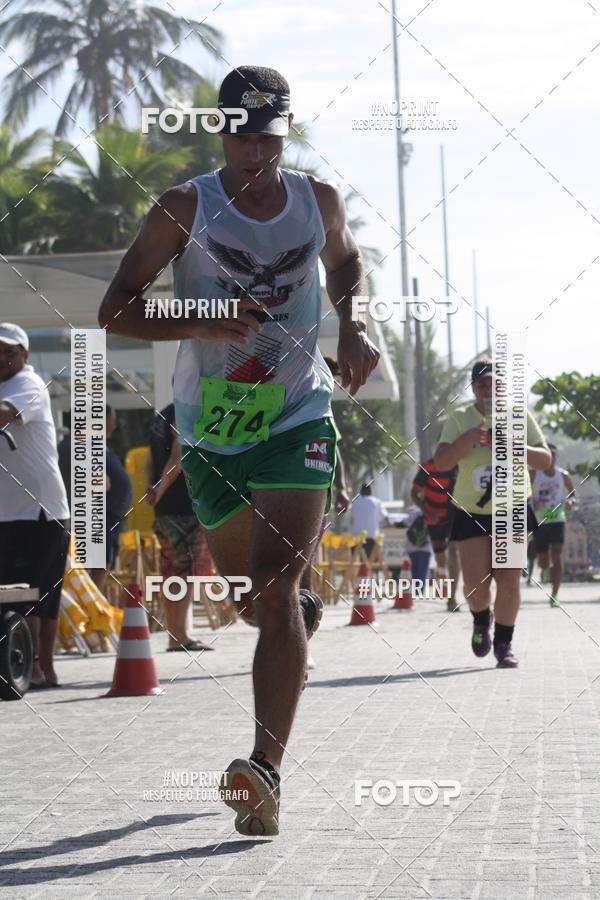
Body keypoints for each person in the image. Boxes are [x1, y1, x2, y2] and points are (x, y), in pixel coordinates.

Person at [98, 65, 380, 836]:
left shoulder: (316, 200)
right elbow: (117, 306)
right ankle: (293, 612)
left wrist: (355, 325)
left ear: (283, 134)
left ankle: (264, 772)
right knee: (253, 599)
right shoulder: (185, 207)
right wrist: (197, 317)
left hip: (296, 413)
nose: (256, 151)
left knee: (273, 584)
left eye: (269, 136)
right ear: (220, 132)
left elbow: (346, 262)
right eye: (242, 135)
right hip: (213, 429)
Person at [434, 359, 551, 668]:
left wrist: (515, 447)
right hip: (471, 510)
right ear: (473, 389)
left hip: (512, 508)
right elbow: (441, 462)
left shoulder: (519, 415)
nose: (489, 390)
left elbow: (545, 460)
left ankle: (504, 643)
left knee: (509, 578)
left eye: (495, 384)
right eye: (482, 385)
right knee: (475, 586)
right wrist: (468, 438)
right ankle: (480, 618)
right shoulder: (458, 419)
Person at [0, 322, 70, 689]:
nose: (1, 358)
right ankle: (26, 667)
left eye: (8, 351)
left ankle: (40, 667)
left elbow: (4, 414)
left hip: (40, 508)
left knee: (35, 592)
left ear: (24, 355)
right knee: (14, 592)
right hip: (6, 511)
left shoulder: (28, 383)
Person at [145, 402, 215, 651]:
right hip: (183, 504)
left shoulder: (160, 416)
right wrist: (160, 490)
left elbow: (150, 459)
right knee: (186, 569)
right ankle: (179, 635)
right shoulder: (185, 411)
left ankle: (175, 634)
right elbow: (179, 457)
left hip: (164, 507)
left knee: (170, 569)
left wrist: (151, 488)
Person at [88, 406, 133, 595]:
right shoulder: (90, 444)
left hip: (111, 517)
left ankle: (95, 605)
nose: (114, 425)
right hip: (100, 515)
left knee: (104, 563)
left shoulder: (103, 445)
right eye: (111, 420)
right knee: (98, 564)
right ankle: (91, 606)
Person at [411, 457, 460, 612]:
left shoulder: (458, 465)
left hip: (454, 516)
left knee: (453, 552)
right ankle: (444, 589)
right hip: (434, 519)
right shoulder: (427, 467)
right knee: (441, 561)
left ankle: (451, 597)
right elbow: (414, 493)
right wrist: (427, 512)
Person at [531, 443, 575, 607]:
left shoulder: (563, 475)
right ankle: (544, 569)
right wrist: (530, 502)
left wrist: (570, 501)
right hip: (539, 520)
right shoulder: (534, 474)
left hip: (557, 518)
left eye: (554, 455)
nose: (552, 458)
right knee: (543, 559)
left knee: (557, 554)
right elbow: (521, 492)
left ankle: (555, 594)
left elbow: (572, 493)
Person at [351, 483, 385, 559]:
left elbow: (353, 517)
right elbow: (385, 515)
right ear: (370, 491)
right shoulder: (377, 502)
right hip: (372, 536)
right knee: (371, 562)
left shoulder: (355, 502)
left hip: (357, 538)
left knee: (357, 562)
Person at [404, 506, 432, 591]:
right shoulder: (431, 513)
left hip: (411, 546)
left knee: (413, 569)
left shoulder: (412, 513)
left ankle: (413, 589)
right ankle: (419, 591)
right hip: (425, 547)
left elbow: (404, 523)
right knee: (422, 570)